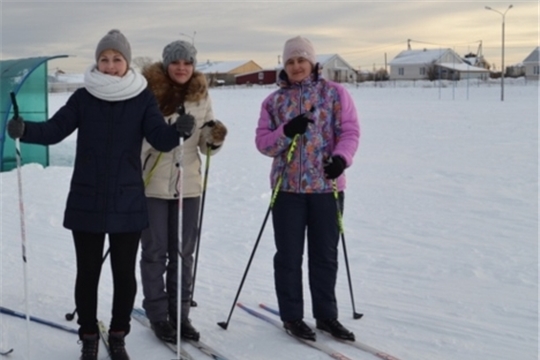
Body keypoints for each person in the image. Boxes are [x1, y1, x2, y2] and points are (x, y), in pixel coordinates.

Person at [6, 29, 194, 360]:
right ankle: (89, 335)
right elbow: (54, 131)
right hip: (87, 198)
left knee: (124, 274)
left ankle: (119, 334)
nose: (109, 65)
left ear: (126, 62)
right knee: (88, 273)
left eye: (116, 59)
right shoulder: (83, 98)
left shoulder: (141, 98)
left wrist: (178, 131)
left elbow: (161, 139)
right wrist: (26, 130)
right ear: (97, 62)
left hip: (127, 199)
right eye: (104, 59)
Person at [255, 36, 360, 341]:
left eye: (301, 60)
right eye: (290, 61)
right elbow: (263, 144)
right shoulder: (273, 102)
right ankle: (292, 316)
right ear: (284, 66)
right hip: (287, 191)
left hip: (327, 187)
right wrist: (286, 131)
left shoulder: (335, 94)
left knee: (325, 255)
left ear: (313, 62)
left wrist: (342, 159)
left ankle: (326, 315)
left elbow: (350, 131)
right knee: (288, 256)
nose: (296, 66)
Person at [139, 39, 227, 344]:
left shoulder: (201, 95)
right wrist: (170, 132)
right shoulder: (147, 93)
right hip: (152, 182)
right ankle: (158, 315)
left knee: (183, 253)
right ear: (166, 64)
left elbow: (205, 145)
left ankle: (181, 314)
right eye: (176, 62)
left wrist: (213, 137)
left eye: (187, 62)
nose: (181, 67)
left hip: (188, 184)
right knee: (154, 251)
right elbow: (140, 139)